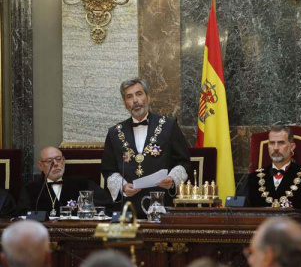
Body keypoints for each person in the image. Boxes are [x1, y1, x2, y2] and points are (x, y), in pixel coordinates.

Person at [101, 78, 190, 218]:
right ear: (124, 103)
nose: (135, 100)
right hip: (128, 208)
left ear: (148, 97)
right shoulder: (114, 133)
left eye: (139, 94)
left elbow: (183, 161)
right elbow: (109, 170)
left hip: (161, 204)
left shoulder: (169, 126)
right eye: (129, 97)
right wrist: (123, 186)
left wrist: (172, 179)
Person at [242, 126, 301, 221]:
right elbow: (240, 215)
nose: (276, 148)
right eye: (272, 143)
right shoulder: (253, 178)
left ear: (292, 147)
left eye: (281, 143)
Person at [16, 146, 113, 216]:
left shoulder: (83, 183)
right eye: (50, 161)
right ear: (40, 165)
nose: (56, 164)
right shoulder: (31, 189)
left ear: (63, 161)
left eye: (58, 159)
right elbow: (22, 216)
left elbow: (108, 207)